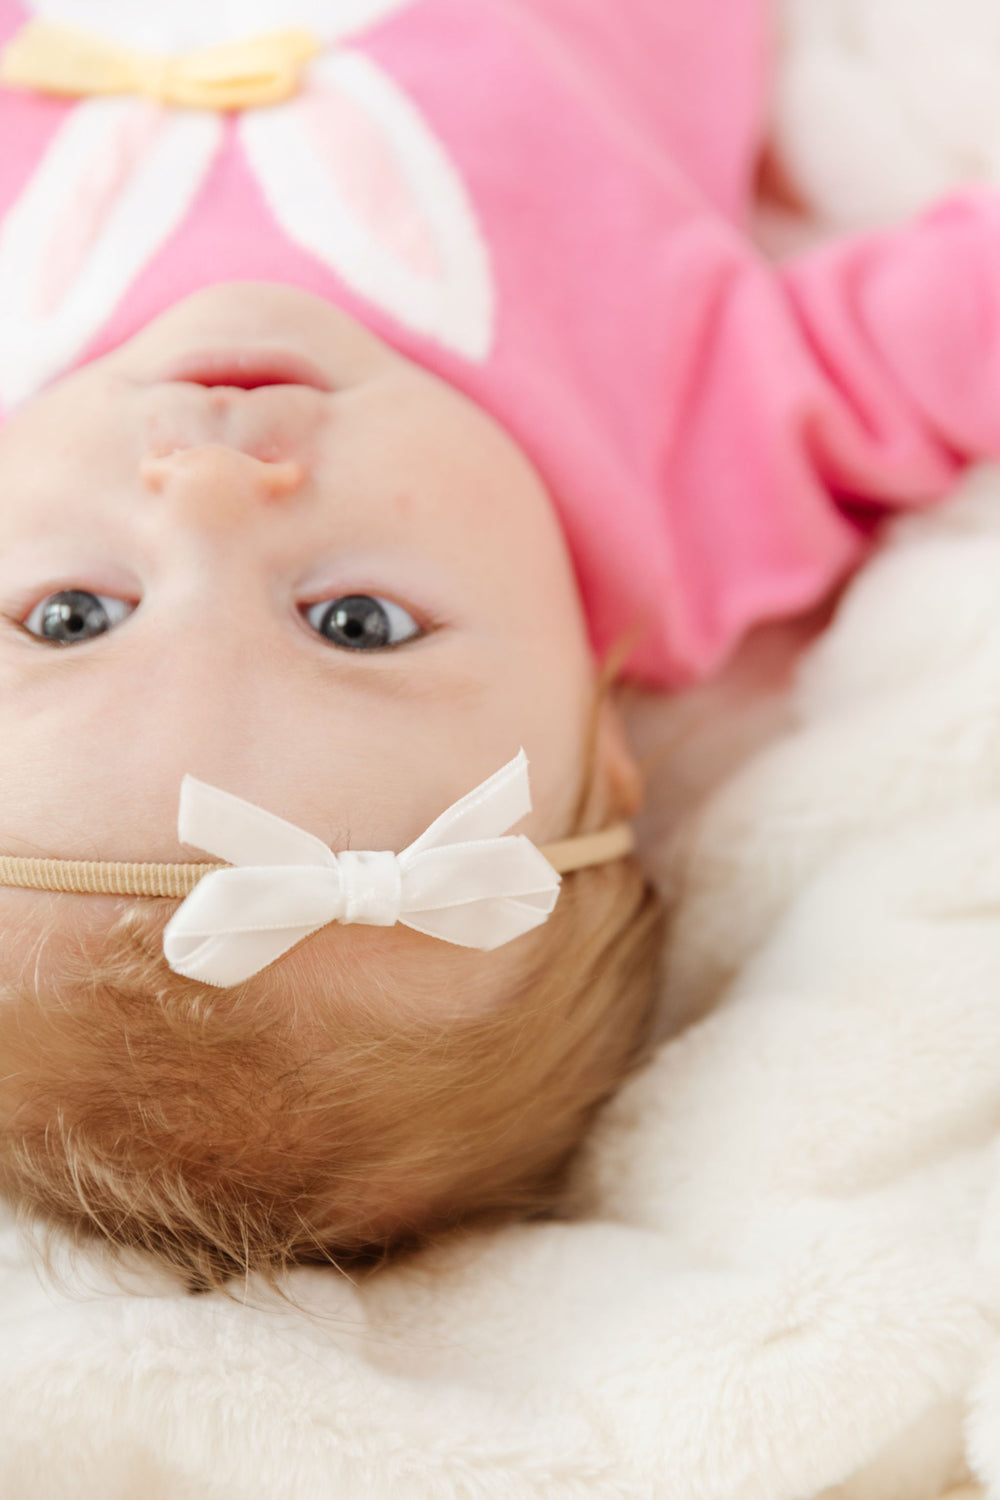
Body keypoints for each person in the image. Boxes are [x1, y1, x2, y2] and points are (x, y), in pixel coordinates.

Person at [0, 0, 997, 1287]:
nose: (204, 488)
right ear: (604, 740)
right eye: (354, 623)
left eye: (73, 616)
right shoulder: (683, 482)